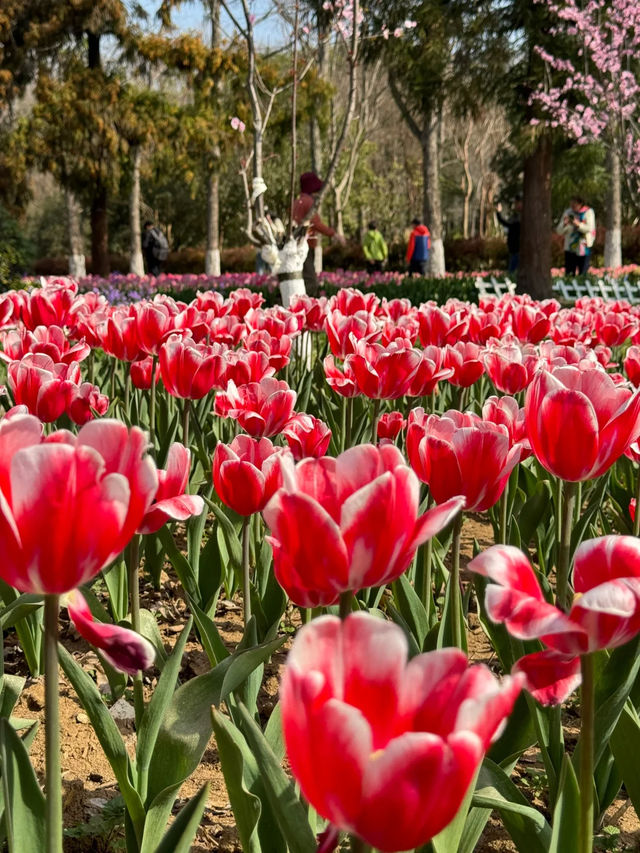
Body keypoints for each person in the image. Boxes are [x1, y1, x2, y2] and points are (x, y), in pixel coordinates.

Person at [292, 171, 345, 296]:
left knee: (302, 278)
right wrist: (335, 235)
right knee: (310, 280)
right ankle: (307, 307)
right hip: (304, 246)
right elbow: (316, 224)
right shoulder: (308, 202)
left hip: (295, 245)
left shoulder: (297, 201)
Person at [556, 195, 596, 275]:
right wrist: (564, 224)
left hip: (584, 248)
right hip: (570, 248)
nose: (573, 205)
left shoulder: (588, 212)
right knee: (569, 273)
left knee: (583, 273)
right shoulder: (568, 212)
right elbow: (559, 231)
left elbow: (589, 228)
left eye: (575, 203)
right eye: (572, 203)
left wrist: (578, 225)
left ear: (580, 203)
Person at [495, 195, 522, 272]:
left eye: (516, 203)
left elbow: (507, 223)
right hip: (514, 249)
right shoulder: (517, 217)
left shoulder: (521, 218)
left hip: (518, 249)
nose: (515, 205)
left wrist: (499, 213)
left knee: (512, 271)